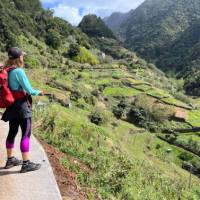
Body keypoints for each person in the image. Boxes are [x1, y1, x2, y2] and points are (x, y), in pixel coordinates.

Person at [1, 47, 44, 173]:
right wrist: (39, 92)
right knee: (26, 134)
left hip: (11, 106)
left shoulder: (5, 70)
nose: (23, 57)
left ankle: (10, 160)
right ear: (19, 57)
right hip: (22, 107)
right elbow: (30, 90)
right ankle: (26, 163)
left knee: (12, 132)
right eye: (22, 56)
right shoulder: (19, 71)